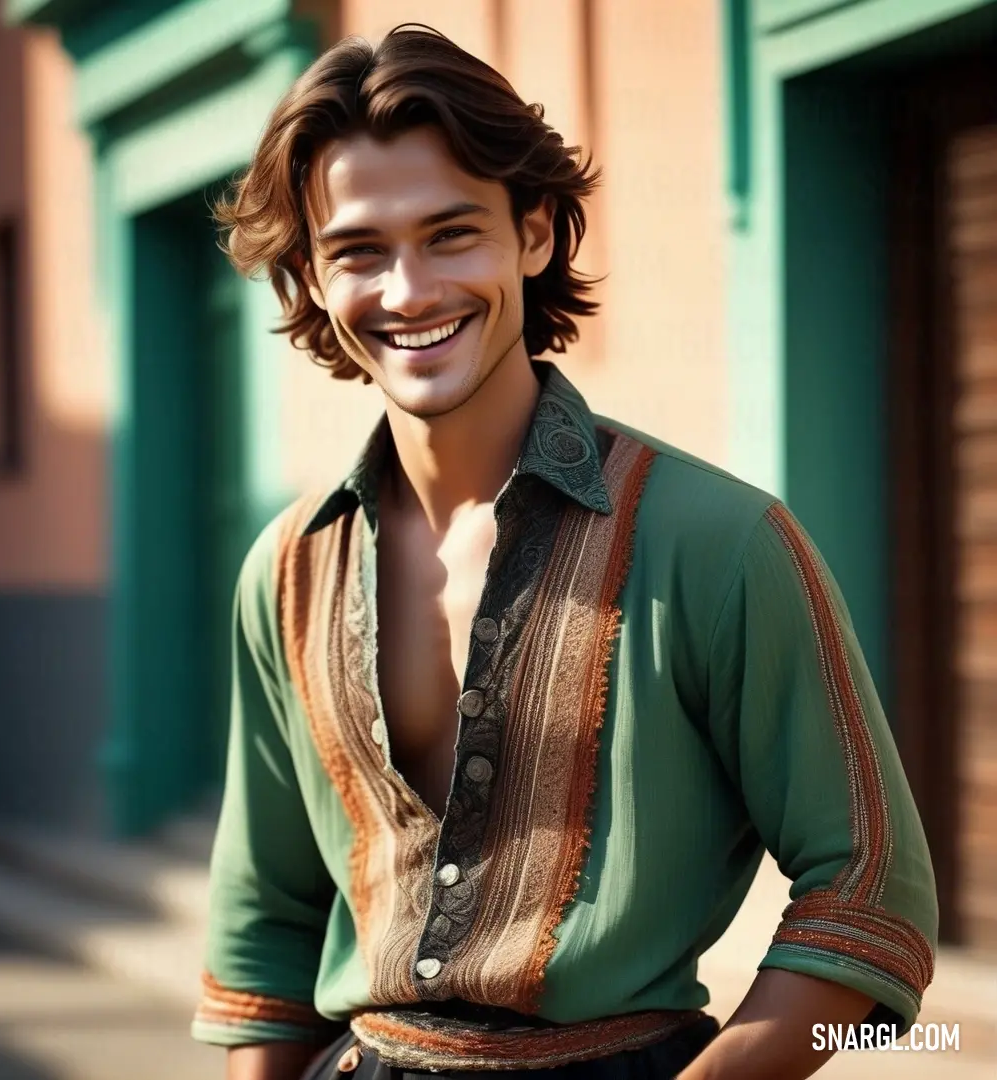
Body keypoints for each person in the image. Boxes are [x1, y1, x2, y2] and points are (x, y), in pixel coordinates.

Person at [191, 24, 937, 1080]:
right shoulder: (290, 569)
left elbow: (874, 896)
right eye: (358, 250)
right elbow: (263, 922)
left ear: (533, 234)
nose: (407, 291)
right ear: (310, 277)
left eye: (452, 233)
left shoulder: (720, 543)